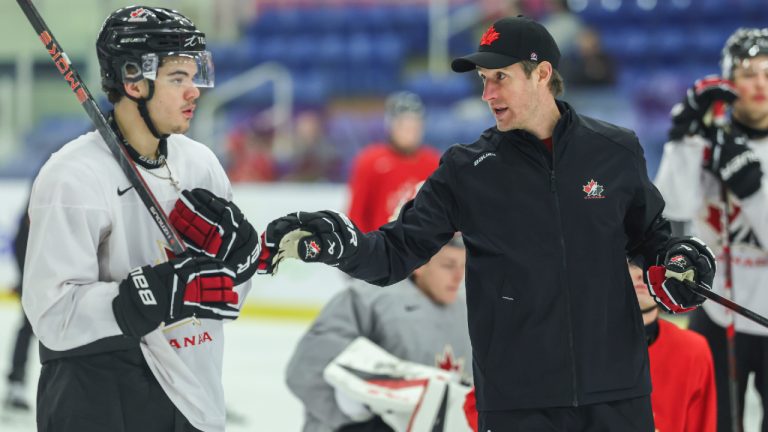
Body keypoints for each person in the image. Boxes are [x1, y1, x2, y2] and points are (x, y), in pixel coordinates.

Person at [259, 15, 718, 432]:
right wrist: (346, 247)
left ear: (542, 75)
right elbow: (397, 251)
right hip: (517, 403)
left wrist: (678, 258)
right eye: (483, 80)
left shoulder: (615, 150)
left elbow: (652, 238)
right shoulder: (467, 169)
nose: (487, 94)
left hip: (617, 392)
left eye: (500, 78)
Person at [22, 6, 260, 432]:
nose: (195, 92)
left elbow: (223, 297)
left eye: (195, 75)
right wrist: (153, 294)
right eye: (177, 78)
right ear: (133, 80)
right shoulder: (72, 176)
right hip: (98, 399)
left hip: (193, 397)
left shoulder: (200, 163)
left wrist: (240, 262)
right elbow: (52, 315)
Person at [655, 27, 768, 432]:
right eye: (748, 72)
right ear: (729, 80)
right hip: (719, 311)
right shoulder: (710, 142)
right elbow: (673, 208)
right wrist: (681, 138)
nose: (759, 83)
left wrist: (751, 189)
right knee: (714, 423)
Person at [285, 237, 471, 432]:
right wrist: (358, 423)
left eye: (464, 266)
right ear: (420, 265)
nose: (459, 276)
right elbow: (308, 367)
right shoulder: (367, 299)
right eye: (448, 265)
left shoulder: (469, 310)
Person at [628, 260, 717, 431]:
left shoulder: (693, 351)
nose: (641, 274)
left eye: (652, 263)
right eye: (632, 263)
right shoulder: (587, 348)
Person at [347, 91, 441, 233]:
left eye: (415, 124)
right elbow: (356, 215)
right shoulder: (370, 161)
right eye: (404, 124)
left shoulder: (434, 162)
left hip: (422, 250)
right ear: (391, 125)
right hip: (380, 247)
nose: (410, 131)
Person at [3, 211, 33, 414]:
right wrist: (27, 278)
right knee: (29, 324)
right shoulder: (45, 185)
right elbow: (21, 239)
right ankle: (16, 384)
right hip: (37, 274)